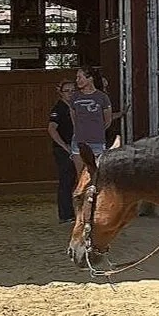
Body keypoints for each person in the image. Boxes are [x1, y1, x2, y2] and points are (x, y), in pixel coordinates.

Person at [69, 66, 112, 174]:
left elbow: (107, 119)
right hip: (79, 140)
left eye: (80, 77)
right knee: (80, 175)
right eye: (76, 78)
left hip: (97, 141)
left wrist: (97, 130)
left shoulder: (102, 97)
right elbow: (73, 117)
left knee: (97, 174)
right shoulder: (75, 97)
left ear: (90, 78)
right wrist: (79, 130)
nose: (77, 80)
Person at [48, 79, 77, 223]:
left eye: (73, 90)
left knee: (73, 180)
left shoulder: (77, 107)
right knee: (66, 180)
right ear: (61, 93)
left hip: (76, 147)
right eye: (67, 91)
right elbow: (52, 129)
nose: (71, 93)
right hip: (63, 148)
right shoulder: (58, 109)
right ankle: (66, 215)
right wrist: (66, 148)